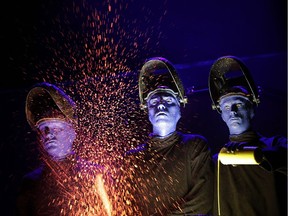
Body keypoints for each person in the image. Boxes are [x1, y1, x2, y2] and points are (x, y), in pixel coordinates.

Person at [125, 57, 214, 215]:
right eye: (153, 102)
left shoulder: (194, 146)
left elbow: (202, 201)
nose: (160, 104)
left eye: (168, 100)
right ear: (147, 111)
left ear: (180, 109)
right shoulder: (133, 158)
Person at [16, 82, 112, 216]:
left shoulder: (95, 175)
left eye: (56, 128)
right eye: (44, 129)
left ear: (72, 133)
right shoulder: (31, 183)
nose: (49, 134)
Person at [208, 55, 287, 216]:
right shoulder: (217, 162)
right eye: (227, 106)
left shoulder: (276, 145)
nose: (233, 111)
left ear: (252, 108)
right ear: (221, 114)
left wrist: (255, 154)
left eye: (239, 104)